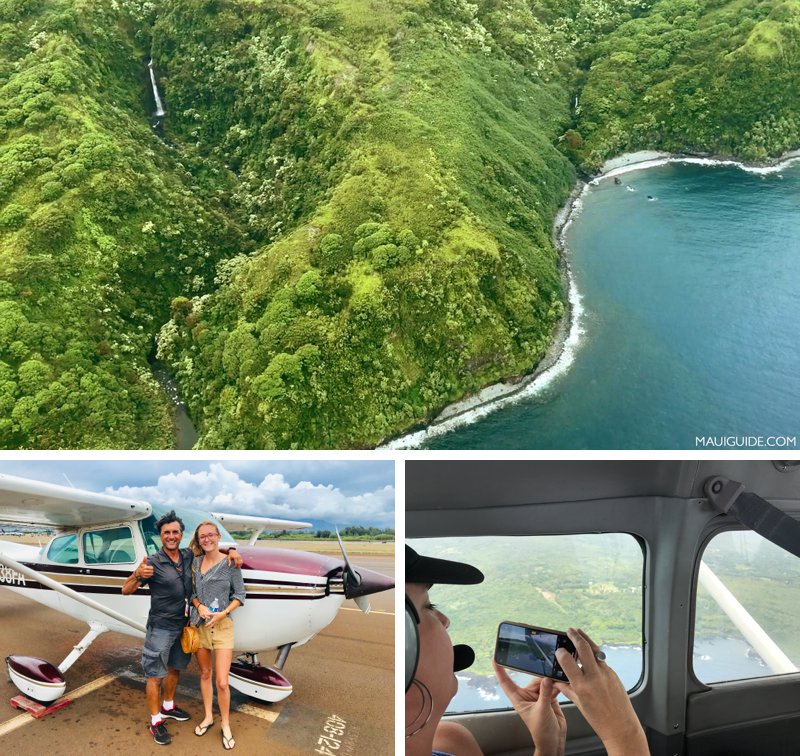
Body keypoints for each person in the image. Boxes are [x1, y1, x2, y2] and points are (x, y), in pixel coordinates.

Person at [405, 545, 650, 756]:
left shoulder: (451, 741)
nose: (445, 620)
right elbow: (624, 733)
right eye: (428, 607)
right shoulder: (450, 741)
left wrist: (548, 748)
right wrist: (624, 733)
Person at [121, 511, 242, 746]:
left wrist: (233, 552)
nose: (171, 536)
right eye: (166, 532)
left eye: (175, 532)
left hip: (184, 626)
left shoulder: (188, 556)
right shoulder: (152, 563)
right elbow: (125, 589)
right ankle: (155, 721)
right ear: (160, 536)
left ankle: (168, 706)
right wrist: (137, 574)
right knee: (155, 675)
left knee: (175, 668)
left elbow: (211, 549)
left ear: (181, 534)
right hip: (160, 627)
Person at [188, 520, 246, 750]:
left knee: (222, 682)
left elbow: (240, 595)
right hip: (200, 625)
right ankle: (208, 717)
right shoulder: (195, 563)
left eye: (211, 535)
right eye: (203, 536)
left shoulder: (230, 562)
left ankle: (226, 723)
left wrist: (223, 614)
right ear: (198, 539)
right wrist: (198, 605)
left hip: (222, 627)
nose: (207, 539)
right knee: (204, 674)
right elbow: (192, 593)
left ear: (218, 536)